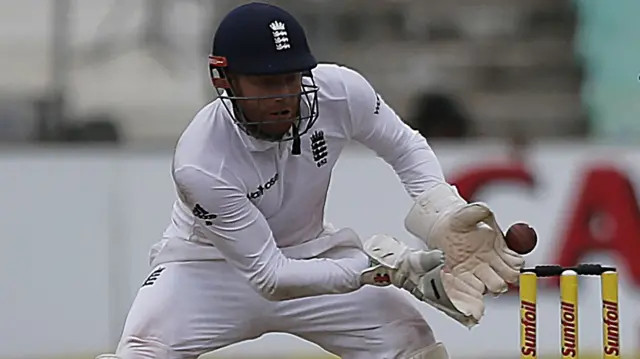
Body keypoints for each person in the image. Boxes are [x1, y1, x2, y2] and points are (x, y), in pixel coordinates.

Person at [102, 3, 525, 359]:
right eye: (267, 82)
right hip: (206, 272)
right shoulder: (201, 161)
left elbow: (404, 146)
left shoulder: (337, 90)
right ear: (224, 80)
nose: (285, 95)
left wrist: (443, 214)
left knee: (411, 344)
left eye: (292, 77)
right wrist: (384, 269)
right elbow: (270, 277)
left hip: (313, 255)